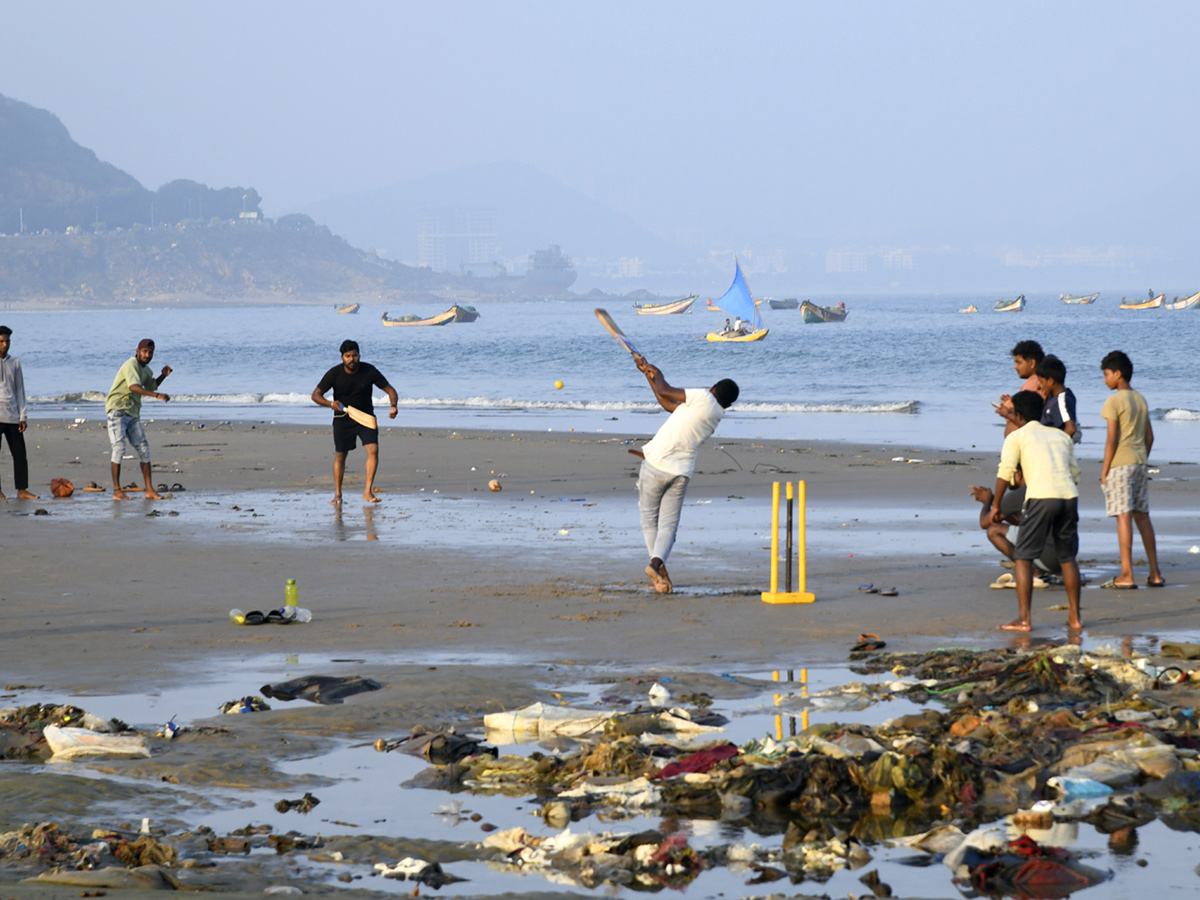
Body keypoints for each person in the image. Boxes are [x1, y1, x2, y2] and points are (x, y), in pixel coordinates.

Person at [631, 354, 738, 594]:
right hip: (681, 472)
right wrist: (649, 377)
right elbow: (668, 405)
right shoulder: (715, 415)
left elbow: (666, 390)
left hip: (656, 462)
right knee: (668, 525)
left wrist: (654, 371)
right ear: (728, 405)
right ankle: (656, 566)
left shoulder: (703, 397)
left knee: (649, 520)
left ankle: (657, 568)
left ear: (712, 388)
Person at [991, 390, 1082, 632]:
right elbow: (1074, 472)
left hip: (1041, 496)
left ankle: (1024, 619)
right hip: (1069, 495)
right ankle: (1075, 618)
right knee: (1067, 558)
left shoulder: (1017, 436)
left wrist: (996, 504)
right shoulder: (1060, 436)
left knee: (1023, 557)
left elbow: (1006, 471)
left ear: (1017, 415)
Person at [1099, 350, 1163, 589]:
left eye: (1106, 374)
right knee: (1142, 516)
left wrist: (1105, 471)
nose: (1105, 379)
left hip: (1120, 464)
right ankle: (1155, 572)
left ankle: (1126, 574)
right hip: (1138, 463)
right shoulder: (1140, 399)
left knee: (1123, 516)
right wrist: (1141, 458)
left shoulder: (1114, 401)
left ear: (1118, 374)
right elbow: (1150, 437)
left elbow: (1111, 439)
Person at [312, 339, 399, 505]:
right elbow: (315, 395)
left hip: (366, 417)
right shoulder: (334, 374)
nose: (352, 359)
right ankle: (338, 494)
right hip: (343, 418)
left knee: (373, 449)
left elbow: (390, 390)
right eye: (348, 356)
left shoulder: (369, 371)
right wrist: (331, 404)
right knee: (341, 456)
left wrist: (393, 406)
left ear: (359, 355)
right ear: (342, 357)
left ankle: (368, 491)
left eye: (355, 355)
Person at [105, 339, 171, 500]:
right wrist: (157, 396)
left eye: (150, 353)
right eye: (145, 352)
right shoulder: (131, 364)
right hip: (118, 409)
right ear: (138, 351)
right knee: (119, 448)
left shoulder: (146, 370)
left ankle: (149, 489)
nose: (147, 355)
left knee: (143, 448)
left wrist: (163, 375)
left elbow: (151, 386)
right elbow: (133, 387)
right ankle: (117, 490)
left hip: (133, 413)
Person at [0, 325, 38, 500]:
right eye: (2, 341)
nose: (5, 345)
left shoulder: (14, 362)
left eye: (7, 341)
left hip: (13, 415)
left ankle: (22, 490)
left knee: (20, 455)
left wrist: (23, 416)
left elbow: (20, 391)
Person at [996, 340, 1045, 436]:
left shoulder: (1035, 384)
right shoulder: (1032, 382)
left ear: (1032, 363)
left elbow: (1028, 418)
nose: (1015, 367)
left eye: (1019, 363)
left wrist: (1008, 410)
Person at [1035, 354, 1079, 442]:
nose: (1038, 386)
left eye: (1041, 381)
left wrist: (1057, 445)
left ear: (1051, 381)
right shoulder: (1052, 396)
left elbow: (1070, 428)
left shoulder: (1062, 400)